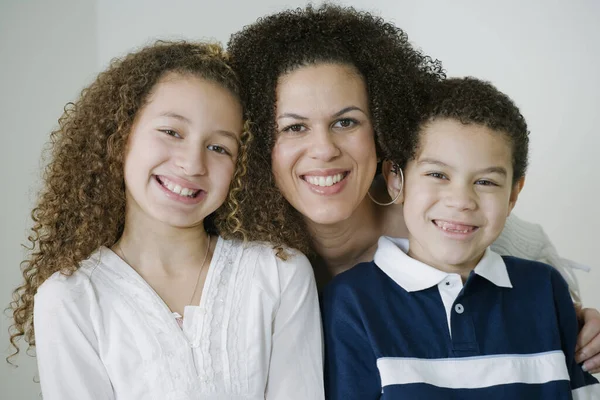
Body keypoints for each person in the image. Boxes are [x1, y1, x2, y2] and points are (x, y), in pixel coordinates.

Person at [226, 4, 600, 373]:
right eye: (294, 127)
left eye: (346, 122)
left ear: (383, 127)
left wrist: (586, 330)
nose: (324, 149)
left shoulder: (447, 218)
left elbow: (545, 306)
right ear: (256, 141)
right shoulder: (241, 250)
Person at [8, 41, 323, 400]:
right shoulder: (70, 299)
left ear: (240, 169)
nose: (192, 164)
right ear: (120, 137)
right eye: (172, 132)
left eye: (219, 147)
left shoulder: (280, 275)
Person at [321, 77, 600, 398]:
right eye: (438, 175)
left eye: (486, 182)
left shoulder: (546, 288)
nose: (461, 200)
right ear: (396, 181)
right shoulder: (351, 301)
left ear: (513, 195)